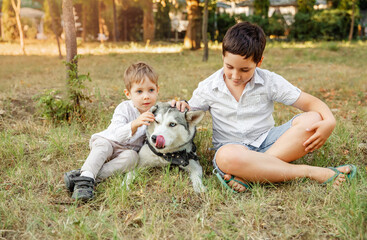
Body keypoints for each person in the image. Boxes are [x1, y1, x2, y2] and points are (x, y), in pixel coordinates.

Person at [172, 21, 356, 193]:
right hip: (233, 150)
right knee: (225, 157)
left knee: (314, 119)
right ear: (223, 56)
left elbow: (311, 104)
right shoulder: (208, 86)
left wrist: (330, 121)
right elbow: (188, 110)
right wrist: (180, 106)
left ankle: (250, 174)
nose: (235, 76)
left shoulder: (269, 81)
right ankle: (308, 171)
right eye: (229, 67)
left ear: (258, 62)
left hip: (268, 142)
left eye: (245, 70)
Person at [64, 62, 159, 201]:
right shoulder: (124, 108)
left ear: (157, 90)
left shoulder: (157, 113)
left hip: (125, 152)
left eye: (151, 90)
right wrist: (135, 123)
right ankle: (85, 182)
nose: (146, 96)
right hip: (109, 142)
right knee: (103, 146)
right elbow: (118, 135)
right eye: (139, 91)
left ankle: (85, 177)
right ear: (128, 94)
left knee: (133, 158)